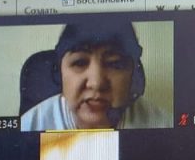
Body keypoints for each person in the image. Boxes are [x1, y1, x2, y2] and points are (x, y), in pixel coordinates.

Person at [21, 19, 169, 131]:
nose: (96, 83)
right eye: (79, 63)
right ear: (60, 73)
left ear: (132, 75)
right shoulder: (31, 124)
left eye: (114, 64)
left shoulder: (162, 125)